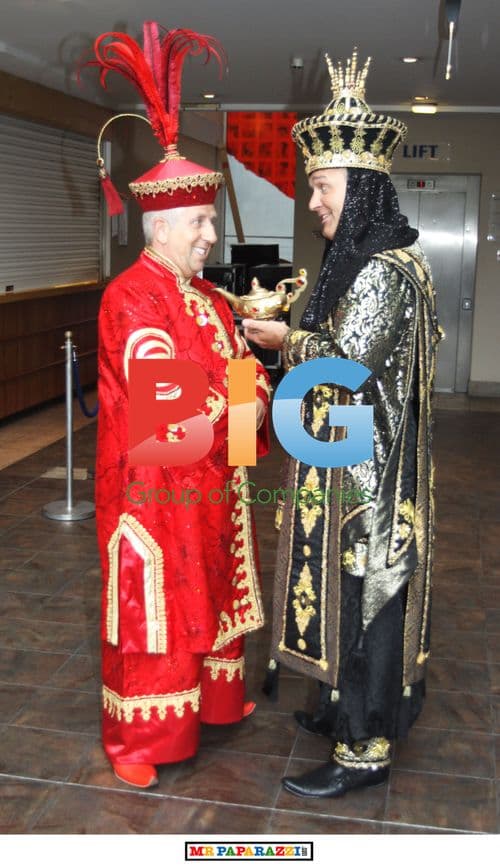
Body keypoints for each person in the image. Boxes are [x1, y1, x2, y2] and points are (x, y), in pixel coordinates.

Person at [243, 49, 441, 798]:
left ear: (359, 187)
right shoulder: (370, 258)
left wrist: (281, 339)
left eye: (322, 187)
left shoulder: (385, 268)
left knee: (365, 602)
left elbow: (346, 363)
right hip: (355, 457)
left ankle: (365, 748)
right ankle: (339, 707)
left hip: (372, 478)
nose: (313, 202)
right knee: (342, 593)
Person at [90, 23, 270, 788]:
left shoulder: (207, 298)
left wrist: (248, 395)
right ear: (161, 226)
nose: (210, 235)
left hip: (211, 482)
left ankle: (215, 704)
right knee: (157, 605)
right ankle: (138, 740)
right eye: (200, 223)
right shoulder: (132, 297)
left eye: (208, 221)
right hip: (154, 491)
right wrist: (239, 395)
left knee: (216, 589)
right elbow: (168, 405)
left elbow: (242, 377)